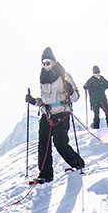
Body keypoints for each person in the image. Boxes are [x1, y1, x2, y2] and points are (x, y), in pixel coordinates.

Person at [24, 47, 84, 183]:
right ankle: (45, 175)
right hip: (47, 115)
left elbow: (75, 97)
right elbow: (44, 101)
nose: (45, 65)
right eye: (43, 63)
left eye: (48, 62)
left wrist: (69, 89)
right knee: (43, 145)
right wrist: (33, 100)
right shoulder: (43, 78)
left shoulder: (64, 75)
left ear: (54, 61)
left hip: (62, 114)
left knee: (60, 143)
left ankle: (78, 163)